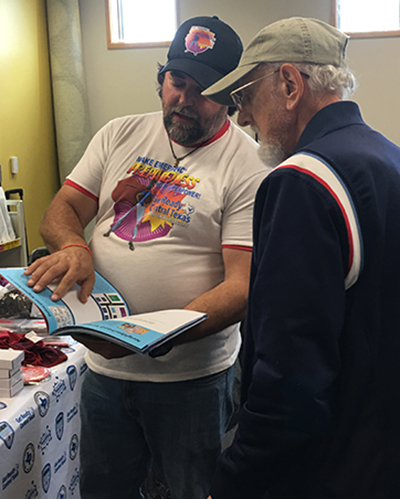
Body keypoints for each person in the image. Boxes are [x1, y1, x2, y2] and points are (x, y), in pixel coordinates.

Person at [24, 15, 268, 499]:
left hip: (191, 381)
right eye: (177, 82)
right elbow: (63, 209)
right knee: (104, 490)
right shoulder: (120, 133)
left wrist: (150, 338)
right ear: (162, 80)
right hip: (103, 372)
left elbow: (242, 287)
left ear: (232, 97)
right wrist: (74, 246)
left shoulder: (251, 165)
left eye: (205, 90)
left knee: (191, 490)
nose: (184, 99)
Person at [203, 16, 400, 499]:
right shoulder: (387, 156)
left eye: (245, 96)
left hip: (331, 467)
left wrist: (235, 478)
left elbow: (291, 377)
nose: (242, 117)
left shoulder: (301, 182)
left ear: (290, 84)